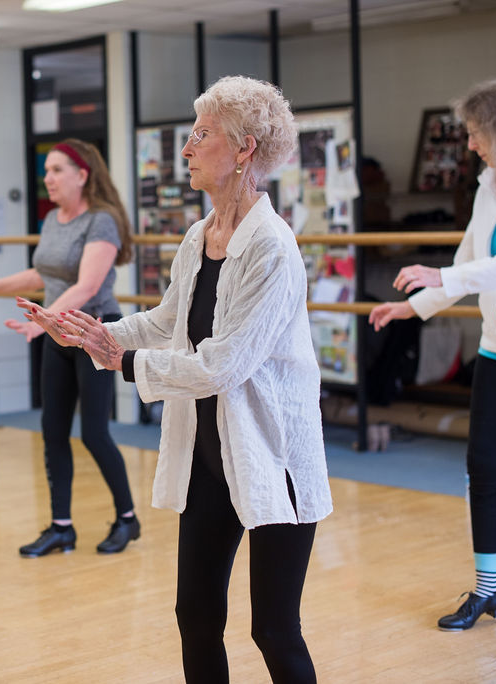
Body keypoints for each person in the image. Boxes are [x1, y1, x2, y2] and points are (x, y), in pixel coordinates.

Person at [20, 76, 333, 683]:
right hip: (212, 457)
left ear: (244, 150)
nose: (186, 150)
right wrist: (95, 332)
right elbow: (169, 321)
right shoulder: (199, 235)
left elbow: (223, 364)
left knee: (273, 629)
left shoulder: (272, 247)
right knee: (194, 612)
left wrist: (122, 362)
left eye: (201, 136)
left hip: (277, 457)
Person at [370, 78, 496, 632]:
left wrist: (441, 275)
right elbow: (471, 259)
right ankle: (489, 590)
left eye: (475, 135)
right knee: (484, 468)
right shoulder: (489, 185)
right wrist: (414, 308)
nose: (470, 146)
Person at [0, 138, 140, 557]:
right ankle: (62, 527)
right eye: (47, 171)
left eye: (57, 170)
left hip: (94, 332)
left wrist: (44, 323)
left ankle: (127, 519)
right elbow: (41, 273)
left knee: (94, 433)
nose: (48, 178)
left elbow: (88, 285)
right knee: (52, 431)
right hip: (56, 332)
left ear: (82, 175)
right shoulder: (55, 220)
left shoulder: (102, 220)